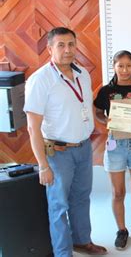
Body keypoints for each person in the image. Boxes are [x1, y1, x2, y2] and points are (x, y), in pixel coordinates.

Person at [24, 27, 107, 257]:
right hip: (57, 153)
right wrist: (43, 165)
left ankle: (81, 241)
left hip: (83, 148)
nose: (68, 50)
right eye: (61, 45)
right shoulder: (40, 80)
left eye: (71, 44)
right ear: (50, 49)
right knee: (59, 205)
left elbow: (83, 108)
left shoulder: (83, 74)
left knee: (81, 197)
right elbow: (33, 127)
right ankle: (62, 253)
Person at [94, 50, 131, 249]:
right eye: (120, 66)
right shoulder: (105, 91)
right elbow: (98, 113)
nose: (125, 70)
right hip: (115, 145)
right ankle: (121, 230)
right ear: (114, 67)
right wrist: (106, 121)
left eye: (128, 66)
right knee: (118, 192)